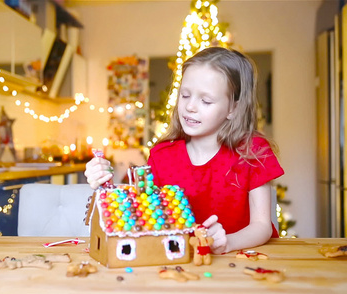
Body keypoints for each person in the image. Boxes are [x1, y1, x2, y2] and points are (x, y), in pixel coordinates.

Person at [84, 47, 284, 255]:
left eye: (206, 101)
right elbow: (145, 212)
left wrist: (228, 242)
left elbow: (261, 226)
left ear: (234, 108)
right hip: (179, 261)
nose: (190, 107)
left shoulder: (253, 151)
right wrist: (104, 182)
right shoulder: (162, 155)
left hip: (241, 264)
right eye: (185, 95)